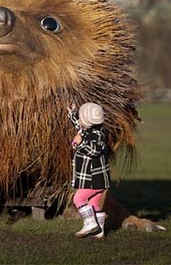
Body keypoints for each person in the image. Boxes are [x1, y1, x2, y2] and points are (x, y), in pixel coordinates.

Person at [67, 102, 110, 239]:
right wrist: (73, 112)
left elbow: (94, 150)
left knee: (78, 198)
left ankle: (90, 223)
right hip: (100, 179)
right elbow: (79, 124)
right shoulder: (90, 129)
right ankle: (100, 231)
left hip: (93, 178)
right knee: (93, 203)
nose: (79, 122)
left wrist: (81, 143)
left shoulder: (97, 135)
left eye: (81, 118)